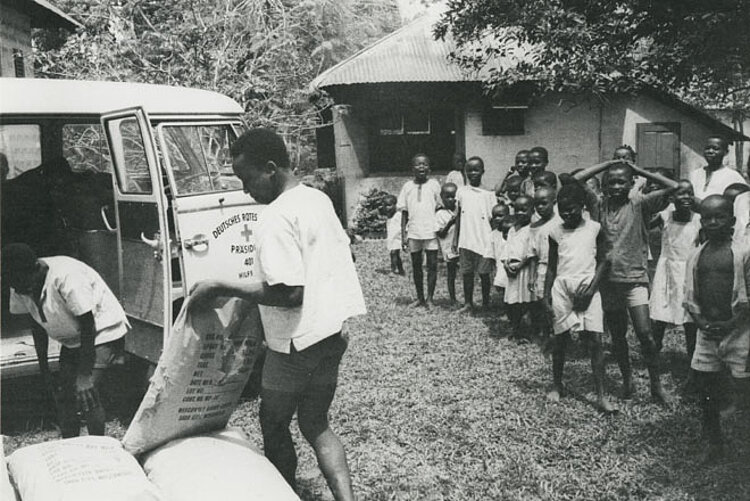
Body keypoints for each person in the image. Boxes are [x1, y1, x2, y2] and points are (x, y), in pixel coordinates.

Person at [188, 128, 366, 500]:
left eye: (245, 178)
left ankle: (285, 493)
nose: (244, 189)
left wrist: (221, 286)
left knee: (273, 422)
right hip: (331, 334)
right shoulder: (317, 200)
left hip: (295, 343)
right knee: (316, 423)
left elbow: (289, 292)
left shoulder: (275, 216)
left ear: (270, 169)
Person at [573, 160, 677, 402]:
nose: (616, 186)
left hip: (635, 280)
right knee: (618, 336)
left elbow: (676, 187)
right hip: (608, 281)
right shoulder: (599, 204)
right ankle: (627, 380)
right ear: (605, 186)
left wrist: (639, 171)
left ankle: (656, 385)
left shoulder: (639, 203)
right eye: (611, 182)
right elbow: (575, 179)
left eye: (622, 181)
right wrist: (608, 164)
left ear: (631, 184)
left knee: (646, 335)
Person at [2, 243, 129, 438]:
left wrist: (85, 376)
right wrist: (44, 369)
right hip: (73, 339)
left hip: (102, 331)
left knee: (87, 394)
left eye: (27, 286)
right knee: (64, 396)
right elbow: (37, 324)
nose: (23, 291)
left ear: (37, 268)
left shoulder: (66, 276)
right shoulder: (18, 281)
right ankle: (70, 446)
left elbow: (88, 325)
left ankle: (100, 449)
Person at [684, 195, 750, 463]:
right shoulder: (696, 255)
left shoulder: (743, 253)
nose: (713, 222)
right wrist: (701, 323)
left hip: (739, 330)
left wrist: (730, 324)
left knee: (744, 390)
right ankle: (714, 444)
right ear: (701, 221)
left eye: (719, 217)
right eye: (708, 217)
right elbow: (690, 296)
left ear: (732, 221)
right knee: (706, 389)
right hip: (707, 331)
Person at [543, 183, 615, 413]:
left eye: (571, 209)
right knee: (560, 340)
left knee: (595, 342)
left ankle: (601, 395)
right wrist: (545, 295)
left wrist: (591, 290)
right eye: (562, 210)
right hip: (562, 287)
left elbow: (605, 261)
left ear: (582, 207)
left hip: (588, 287)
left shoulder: (594, 228)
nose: (566, 214)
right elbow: (553, 267)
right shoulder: (555, 232)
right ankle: (557, 385)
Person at [649, 180, 701, 357]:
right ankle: (653, 352)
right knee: (659, 314)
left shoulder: (698, 220)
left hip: (689, 273)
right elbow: (644, 222)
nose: (686, 197)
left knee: (690, 318)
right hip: (667, 271)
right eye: (681, 193)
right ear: (671, 197)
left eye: (690, 192)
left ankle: (692, 356)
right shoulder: (665, 216)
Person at [398, 153, 442, 307]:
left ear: (429, 168)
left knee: (432, 265)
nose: (421, 167)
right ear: (412, 168)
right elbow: (404, 212)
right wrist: (403, 235)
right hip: (414, 231)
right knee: (416, 265)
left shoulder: (434, 185)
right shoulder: (407, 187)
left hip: (430, 231)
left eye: (424, 164)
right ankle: (420, 297)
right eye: (418, 164)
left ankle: (430, 298)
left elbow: (440, 207)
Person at [453, 156, 496, 313]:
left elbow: (493, 220)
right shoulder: (461, 192)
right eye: (469, 170)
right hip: (466, 240)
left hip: (484, 239)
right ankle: (468, 303)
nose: (473, 173)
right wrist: (455, 239)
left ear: (482, 171)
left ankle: (486, 303)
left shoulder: (489, 194)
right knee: (467, 273)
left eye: (476, 170)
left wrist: (493, 241)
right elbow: (458, 217)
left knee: (484, 274)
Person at [527, 186, 559, 348]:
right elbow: (532, 253)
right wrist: (532, 276)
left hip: (559, 268)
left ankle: (560, 333)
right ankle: (546, 333)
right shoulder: (534, 226)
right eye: (536, 204)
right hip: (542, 267)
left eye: (544, 203)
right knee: (543, 301)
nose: (540, 207)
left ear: (554, 202)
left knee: (558, 300)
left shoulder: (560, 221)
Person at [504, 195, 535, 341]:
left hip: (524, 269)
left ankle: (526, 331)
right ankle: (515, 328)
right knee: (512, 301)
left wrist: (520, 266)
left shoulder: (532, 229)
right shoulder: (512, 230)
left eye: (524, 209)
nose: (520, 213)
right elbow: (507, 249)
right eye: (517, 210)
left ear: (532, 210)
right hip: (511, 269)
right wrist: (506, 265)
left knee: (524, 301)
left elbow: (531, 253)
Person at [689, 136, 747, 200]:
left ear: (726, 152)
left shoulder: (733, 176)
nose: (710, 151)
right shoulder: (695, 174)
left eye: (715, 148)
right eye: (707, 148)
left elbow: (744, 201)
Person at [436, 183, 460, 304]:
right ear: (442, 197)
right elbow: (440, 233)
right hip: (448, 248)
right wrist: (450, 223)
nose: (451, 200)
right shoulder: (439, 214)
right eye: (448, 197)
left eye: (453, 196)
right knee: (451, 274)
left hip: (461, 246)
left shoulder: (459, 210)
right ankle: (452, 298)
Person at [489, 205, 511, 321]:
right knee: (502, 289)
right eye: (495, 216)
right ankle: (505, 310)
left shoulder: (514, 231)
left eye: (500, 215)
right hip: (500, 267)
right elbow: (491, 255)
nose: (497, 219)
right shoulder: (493, 234)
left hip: (512, 267)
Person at [380, 194, 404, 275]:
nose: (387, 208)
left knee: (393, 253)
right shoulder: (389, 216)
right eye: (385, 206)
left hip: (397, 237)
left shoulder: (398, 215)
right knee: (396, 255)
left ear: (395, 205)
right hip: (391, 238)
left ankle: (393, 270)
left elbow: (403, 226)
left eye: (389, 205)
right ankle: (400, 269)